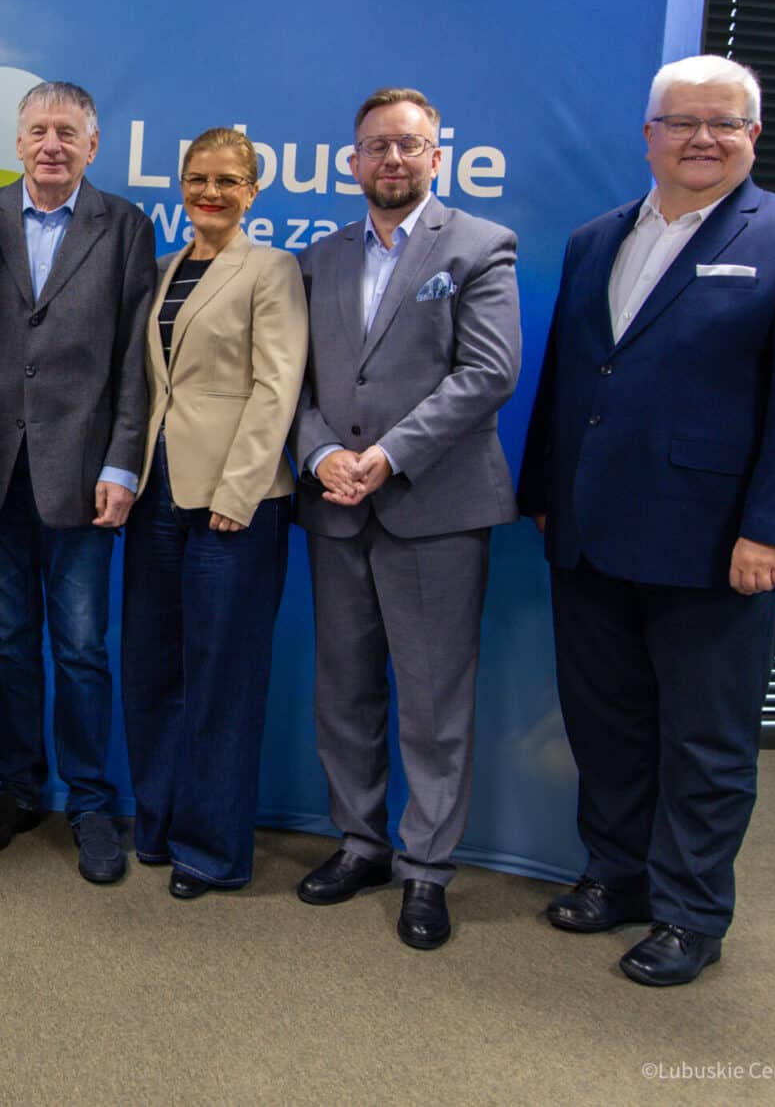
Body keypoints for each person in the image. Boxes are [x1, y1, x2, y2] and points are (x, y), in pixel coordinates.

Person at [518, 54, 775, 987]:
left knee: (704, 742)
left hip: (716, 546)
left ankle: (691, 913)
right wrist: (545, 493)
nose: (703, 139)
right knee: (607, 725)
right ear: (650, 137)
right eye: (683, 122)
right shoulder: (599, 238)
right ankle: (617, 876)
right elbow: (573, 377)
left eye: (725, 123)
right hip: (589, 532)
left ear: (754, 135)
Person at [290, 87, 520, 951]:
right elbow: (294, 383)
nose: (392, 159)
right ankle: (360, 844)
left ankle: (426, 870)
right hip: (335, 507)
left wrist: (385, 456)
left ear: (436, 156)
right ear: (352, 160)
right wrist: (320, 456)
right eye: (376, 146)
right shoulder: (318, 258)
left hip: (433, 506)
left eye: (409, 145)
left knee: (432, 703)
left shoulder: (477, 246)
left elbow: (487, 373)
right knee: (343, 692)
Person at [0, 80, 157, 884]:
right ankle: (18, 788)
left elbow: (139, 358)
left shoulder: (125, 226)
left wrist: (122, 461)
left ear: (93, 146)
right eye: (39, 130)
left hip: (84, 475)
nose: (52, 145)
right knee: (9, 646)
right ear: (16, 142)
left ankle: (91, 802)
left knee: (80, 650)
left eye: (68, 133)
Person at [121, 128, 306, 900]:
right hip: (156, 496)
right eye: (198, 178)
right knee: (153, 667)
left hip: (236, 503)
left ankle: (213, 849)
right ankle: (159, 824)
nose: (211, 192)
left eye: (229, 180)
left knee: (221, 676)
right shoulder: (164, 270)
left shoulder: (272, 269)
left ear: (253, 191)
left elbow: (277, 386)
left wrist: (238, 491)